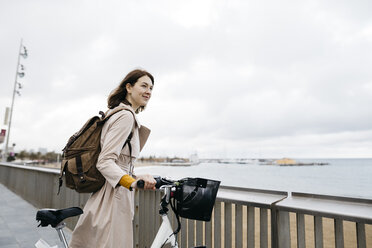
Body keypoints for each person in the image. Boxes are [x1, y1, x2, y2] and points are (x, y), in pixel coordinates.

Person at [69, 69, 157, 248]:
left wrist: (137, 177)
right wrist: (131, 183)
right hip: (114, 195)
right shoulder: (125, 116)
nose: (148, 91)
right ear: (129, 87)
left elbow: (120, 164)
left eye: (151, 88)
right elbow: (105, 161)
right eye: (144, 85)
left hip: (109, 190)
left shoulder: (116, 113)